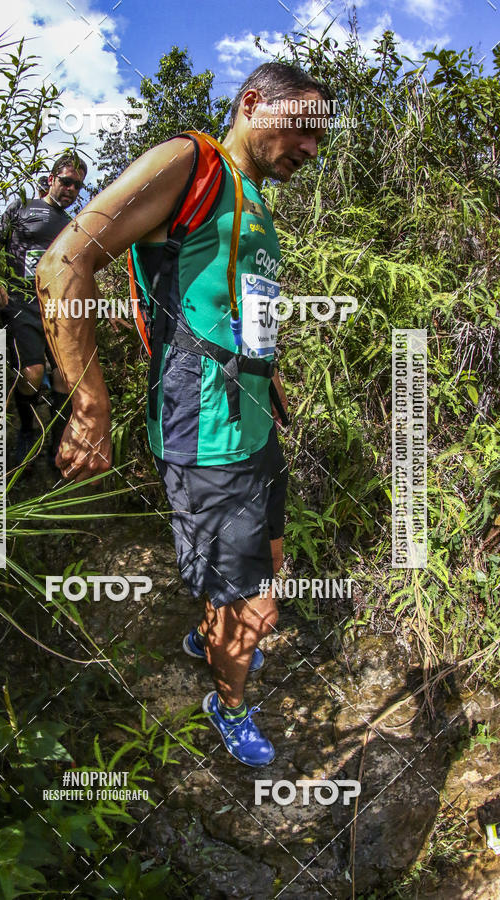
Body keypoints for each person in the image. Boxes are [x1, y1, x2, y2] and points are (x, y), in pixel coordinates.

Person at [36, 63, 331, 765]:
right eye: (305, 130)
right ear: (254, 104)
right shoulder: (189, 161)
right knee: (255, 606)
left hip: (256, 425)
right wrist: (89, 404)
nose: (312, 151)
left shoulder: (253, 199)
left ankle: (212, 633)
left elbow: (238, 313)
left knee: (269, 565)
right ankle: (227, 705)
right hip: (205, 434)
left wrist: (272, 383)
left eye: (321, 141)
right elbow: (63, 264)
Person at [0, 154, 87, 466]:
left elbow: (79, 269)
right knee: (32, 373)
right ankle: (27, 432)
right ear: (52, 177)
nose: (70, 189)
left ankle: (56, 446)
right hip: (19, 303)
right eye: (66, 181)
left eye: (77, 186)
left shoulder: (71, 225)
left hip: (56, 308)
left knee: (64, 380)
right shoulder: (22, 206)